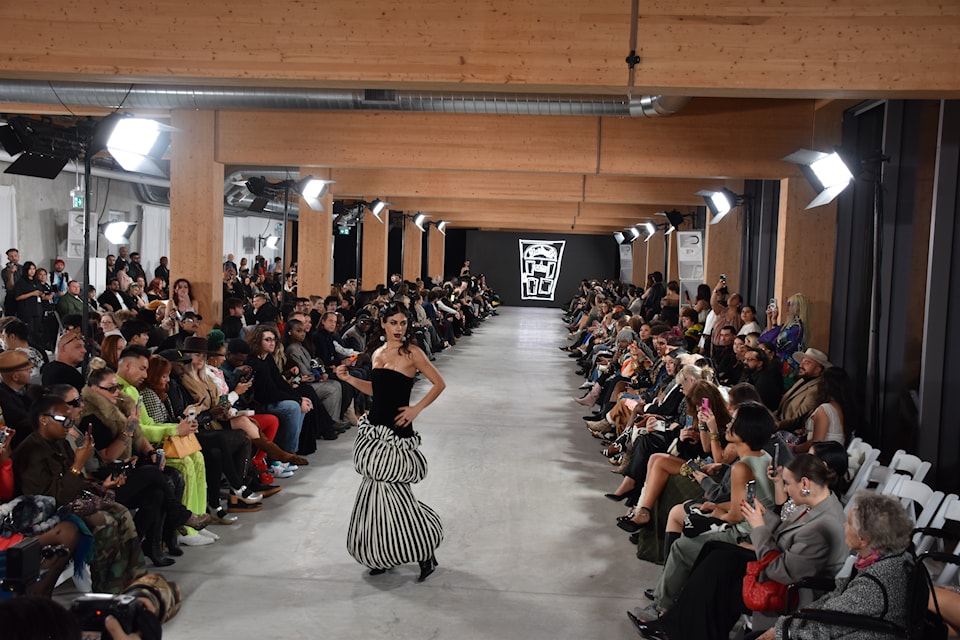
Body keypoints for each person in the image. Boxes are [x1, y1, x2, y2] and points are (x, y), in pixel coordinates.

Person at [629, 453, 849, 640]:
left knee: (717, 573)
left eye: (787, 484)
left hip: (791, 592)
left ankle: (678, 629)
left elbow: (780, 572)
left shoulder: (822, 526)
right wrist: (765, 517)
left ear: (805, 484)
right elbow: (788, 535)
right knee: (714, 550)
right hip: (782, 567)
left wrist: (759, 528)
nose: (785, 489)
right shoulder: (819, 504)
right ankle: (675, 622)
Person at [336, 301, 446, 582]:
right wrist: (349, 380)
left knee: (398, 501)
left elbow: (439, 383)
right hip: (374, 429)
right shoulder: (377, 353)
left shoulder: (413, 354)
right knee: (374, 500)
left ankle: (424, 552)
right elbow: (377, 390)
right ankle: (383, 554)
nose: (399, 328)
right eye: (394, 322)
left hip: (396, 433)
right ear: (383, 324)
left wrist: (415, 409)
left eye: (403, 323)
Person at [12, 394, 148, 593]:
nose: (70, 425)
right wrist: (78, 465)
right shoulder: (30, 452)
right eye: (65, 420)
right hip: (47, 513)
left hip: (71, 501)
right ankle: (107, 591)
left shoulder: (60, 443)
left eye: (71, 420)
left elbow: (76, 484)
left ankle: (135, 578)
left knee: (121, 512)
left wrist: (101, 485)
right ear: (43, 419)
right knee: (105, 522)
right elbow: (50, 500)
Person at [759, 492, 916, 640]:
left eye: (848, 523)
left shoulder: (873, 585)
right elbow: (836, 601)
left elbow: (827, 625)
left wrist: (781, 631)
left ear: (864, 539)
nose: (843, 525)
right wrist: (791, 621)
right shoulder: (893, 557)